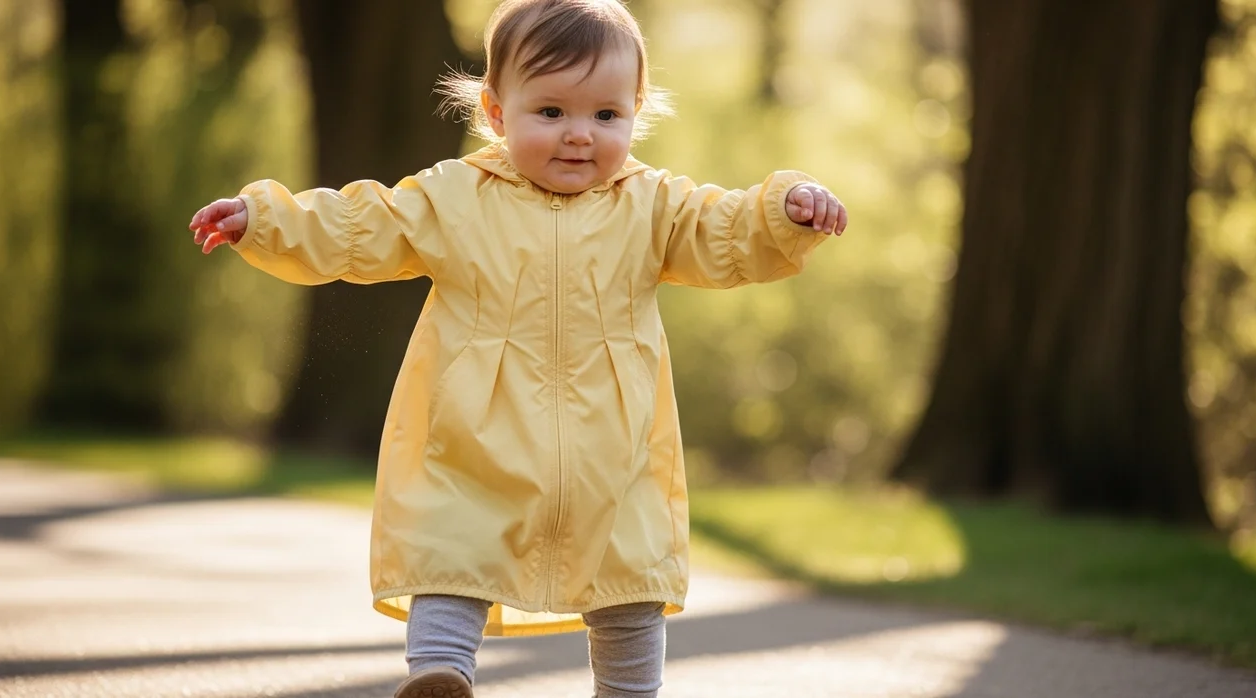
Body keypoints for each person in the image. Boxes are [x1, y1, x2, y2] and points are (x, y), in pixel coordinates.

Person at [188, 0, 845, 695]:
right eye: (551, 113)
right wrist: (266, 220)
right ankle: (440, 674)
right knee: (455, 551)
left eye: (605, 116)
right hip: (476, 436)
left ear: (636, 111)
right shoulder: (455, 197)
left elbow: (725, 231)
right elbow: (360, 224)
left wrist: (785, 208)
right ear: (497, 113)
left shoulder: (653, 206)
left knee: (629, 581)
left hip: (612, 455)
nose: (578, 137)